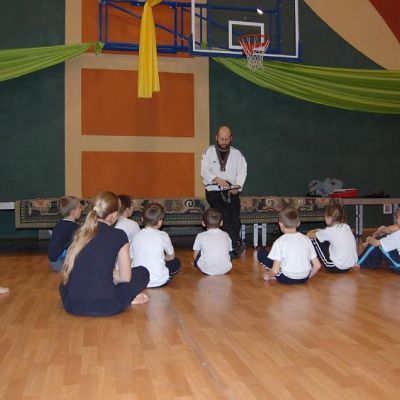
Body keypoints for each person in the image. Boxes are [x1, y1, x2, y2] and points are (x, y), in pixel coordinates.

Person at [59, 191, 150, 317]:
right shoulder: (119, 235)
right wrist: (108, 274)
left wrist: (101, 272)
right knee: (142, 272)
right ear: (114, 215)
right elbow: (125, 278)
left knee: (65, 285)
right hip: (106, 305)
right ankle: (128, 299)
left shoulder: (79, 233)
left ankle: (120, 293)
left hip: (72, 305)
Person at [201, 125, 247, 257]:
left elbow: (242, 171)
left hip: (231, 190)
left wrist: (238, 186)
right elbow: (204, 171)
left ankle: (233, 246)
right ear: (216, 137)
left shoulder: (237, 154)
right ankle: (235, 243)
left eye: (227, 139)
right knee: (224, 215)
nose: (224, 142)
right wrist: (216, 179)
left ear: (231, 138)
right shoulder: (208, 152)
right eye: (222, 139)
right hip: (213, 190)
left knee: (235, 217)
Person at [257, 207, 321, 284]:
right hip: (304, 278)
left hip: (286, 278)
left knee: (261, 253)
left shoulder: (279, 242)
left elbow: (275, 270)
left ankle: (278, 273)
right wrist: (307, 277)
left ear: (280, 224)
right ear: (298, 223)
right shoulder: (306, 239)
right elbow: (317, 265)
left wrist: (268, 275)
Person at [132, 203, 181, 288]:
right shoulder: (163, 235)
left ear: (142, 219)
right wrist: (162, 259)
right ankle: (165, 277)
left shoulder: (136, 236)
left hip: (138, 281)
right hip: (159, 281)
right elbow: (171, 256)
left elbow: (130, 257)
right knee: (176, 262)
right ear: (160, 222)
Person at [306, 204, 358, 273]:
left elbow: (309, 235)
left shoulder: (329, 231)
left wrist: (311, 231)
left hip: (335, 267)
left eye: (325, 216)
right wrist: (319, 230)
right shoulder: (346, 226)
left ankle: (308, 262)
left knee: (313, 240)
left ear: (330, 218)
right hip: (349, 266)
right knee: (325, 239)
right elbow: (326, 232)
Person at [357, 208, 400, 273]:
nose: (396, 220)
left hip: (398, 266)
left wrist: (369, 238)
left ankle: (358, 263)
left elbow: (376, 243)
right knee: (383, 241)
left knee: (378, 243)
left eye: (398, 218)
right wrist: (382, 231)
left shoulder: (397, 235)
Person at [193, 208, 232, 275]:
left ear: (203, 223)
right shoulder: (226, 235)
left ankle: (206, 265)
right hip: (226, 269)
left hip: (206, 270)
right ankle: (221, 265)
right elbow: (229, 251)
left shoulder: (200, 236)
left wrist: (196, 262)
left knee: (199, 250)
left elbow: (195, 254)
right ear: (221, 223)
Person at [48, 196, 81, 272]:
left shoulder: (59, 224)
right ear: (73, 211)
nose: (81, 210)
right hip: (60, 263)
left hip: (53, 262)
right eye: (79, 208)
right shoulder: (73, 227)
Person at [115, 194, 140, 262]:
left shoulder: (110, 222)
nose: (133, 208)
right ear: (127, 209)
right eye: (132, 206)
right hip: (126, 261)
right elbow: (138, 246)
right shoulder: (133, 225)